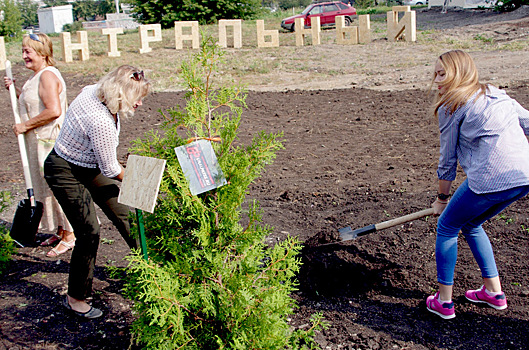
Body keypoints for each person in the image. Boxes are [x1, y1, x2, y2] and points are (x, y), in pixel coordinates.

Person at [426, 50, 529, 320]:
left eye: (441, 73)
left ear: (459, 72)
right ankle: (494, 293)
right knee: (471, 223)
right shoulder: (496, 94)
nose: (436, 80)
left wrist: (441, 198)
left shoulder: (452, 104)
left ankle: (444, 302)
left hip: (491, 178)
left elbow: (447, 160)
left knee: (447, 226)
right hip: (524, 177)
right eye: (435, 73)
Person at [44, 65, 151, 319]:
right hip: (64, 169)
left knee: (125, 214)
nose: (139, 104)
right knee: (89, 231)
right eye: (136, 98)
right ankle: (76, 298)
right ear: (120, 94)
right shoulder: (99, 119)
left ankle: (153, 270)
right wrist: (142, 181)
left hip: (89, 164)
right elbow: (111, 168)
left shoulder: (97, 91)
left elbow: (105, 164)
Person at [4, 33, 75, 257]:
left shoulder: (47, 76)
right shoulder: (37, 76)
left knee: (57, 190)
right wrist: (15, 91)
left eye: (28, 51)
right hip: (40, 142)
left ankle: (71, 235)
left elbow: (53, 111)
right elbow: (34, 102)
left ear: (43, 53)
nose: (24, 55)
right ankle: (61, 229)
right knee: (48, 190)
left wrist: (25, 125)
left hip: (49, 141)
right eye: (23, 50)